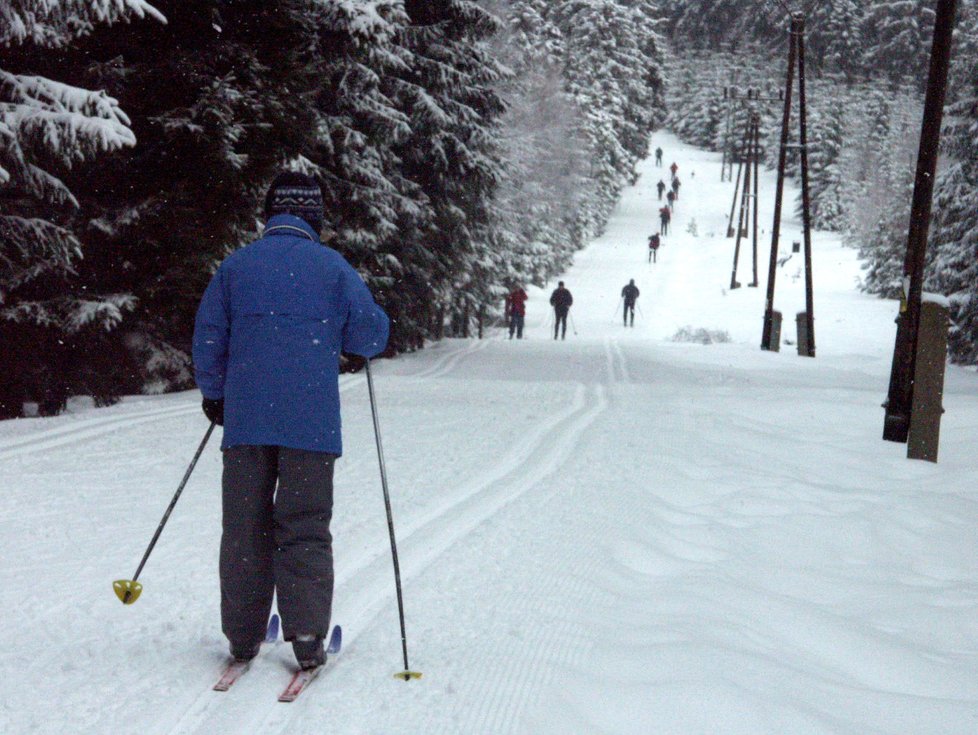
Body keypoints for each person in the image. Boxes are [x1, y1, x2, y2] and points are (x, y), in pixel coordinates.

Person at [193, 171, 390, 671]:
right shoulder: (332, 268)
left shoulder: (236, 267)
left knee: (244, 527)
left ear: (270, 212)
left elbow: (209, 335)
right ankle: (305, 635)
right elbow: (370, 336)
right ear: (315, 217)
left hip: (247, 421)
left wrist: (216, 396)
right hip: (311, 424)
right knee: (303, 526)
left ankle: (242, 636)